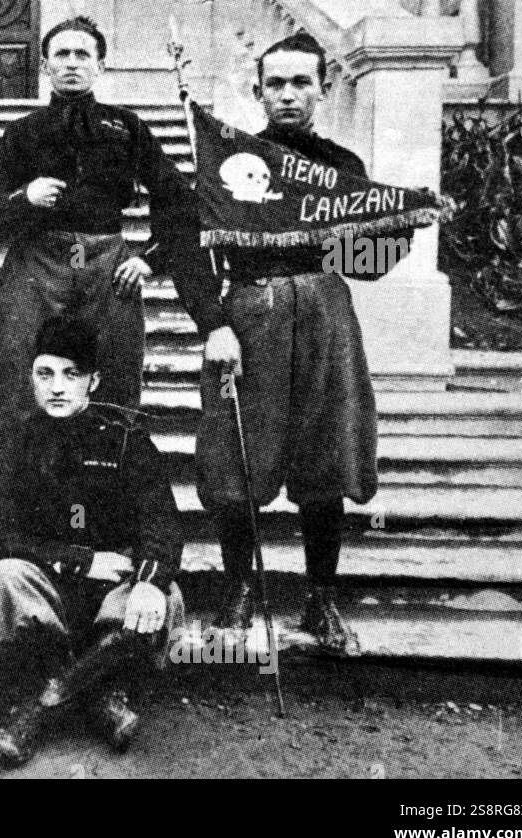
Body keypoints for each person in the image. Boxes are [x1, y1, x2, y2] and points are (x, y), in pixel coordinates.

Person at [189, 32, 414, 654]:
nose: (287, 95)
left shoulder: (343, 168)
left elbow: (368, 263)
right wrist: (216, 323)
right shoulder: (231, 161)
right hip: (250, 313)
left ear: (323, 87)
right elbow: (195, 250)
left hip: (322, 312)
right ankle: (238, 589)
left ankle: (320, 599)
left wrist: (396, 229)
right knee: (237, 449)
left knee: (325, 450)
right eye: (276, 84)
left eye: (300, 83)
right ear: (257, 90)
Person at [0, 15, 222, 436]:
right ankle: (19, 469)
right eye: (61, 54)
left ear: (100, 65)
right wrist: (23, 198)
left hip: (107, 265)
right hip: (36, 263)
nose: (72, 63)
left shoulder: (126, 126)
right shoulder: (22, 132)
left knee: (114, 365)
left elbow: (179, 199)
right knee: (17, 359)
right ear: (45, 65)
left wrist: (150, 259)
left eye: (83, 54)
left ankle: (105, 472)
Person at [0, 315, 185, 767]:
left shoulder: (128, 442)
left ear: (94, 380)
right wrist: (77, 559)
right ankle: (92, 695)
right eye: (45, 373)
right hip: (49, 590)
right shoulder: (15, 444)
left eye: (71, 375)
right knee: (2, 576)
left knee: (165, 594)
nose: (57, 387)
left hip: (111, 593)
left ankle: (49, 702)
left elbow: (162, 526)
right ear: (30, 377)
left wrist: (149, 581)